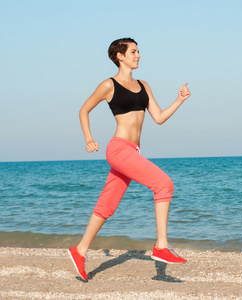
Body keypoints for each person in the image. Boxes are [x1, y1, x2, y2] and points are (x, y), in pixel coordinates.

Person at [68, 37, 191, 281]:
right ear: (120, 56)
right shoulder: (109, 85)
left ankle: (79, 250)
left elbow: (158, 117)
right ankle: (162, 246)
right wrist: (88, 138)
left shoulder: (144, 85)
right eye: (134, 52)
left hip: (132, 152)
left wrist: (179, 99)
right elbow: (84, 109)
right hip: (118, 149)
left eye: (138, 51)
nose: (138, 55)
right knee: (164, 184)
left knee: (107, 204)